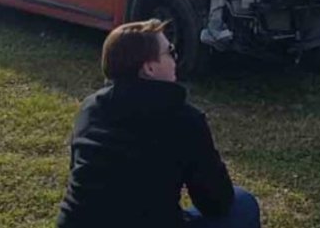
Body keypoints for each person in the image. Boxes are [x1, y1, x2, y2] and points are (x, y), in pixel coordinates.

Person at [56, 19, 261, 228]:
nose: (175, 57)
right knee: (244, 204)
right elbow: (216, 203)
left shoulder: (89, 109)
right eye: (170, 51)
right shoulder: (184, 119)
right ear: (149, 68)